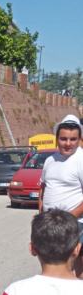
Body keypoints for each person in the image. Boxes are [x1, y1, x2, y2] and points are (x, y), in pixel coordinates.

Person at [39, 114, 83, 276]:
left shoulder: (81, 160)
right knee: (51, 266)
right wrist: (41, 216)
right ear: (56, 138)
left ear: (79, 139)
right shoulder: (50, 160)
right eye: (64, 139)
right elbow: (43, 188)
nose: (68, 143)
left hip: (76, 224)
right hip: (50, 223)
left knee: (76, 267)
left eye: (73, 139)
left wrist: (68, 219)